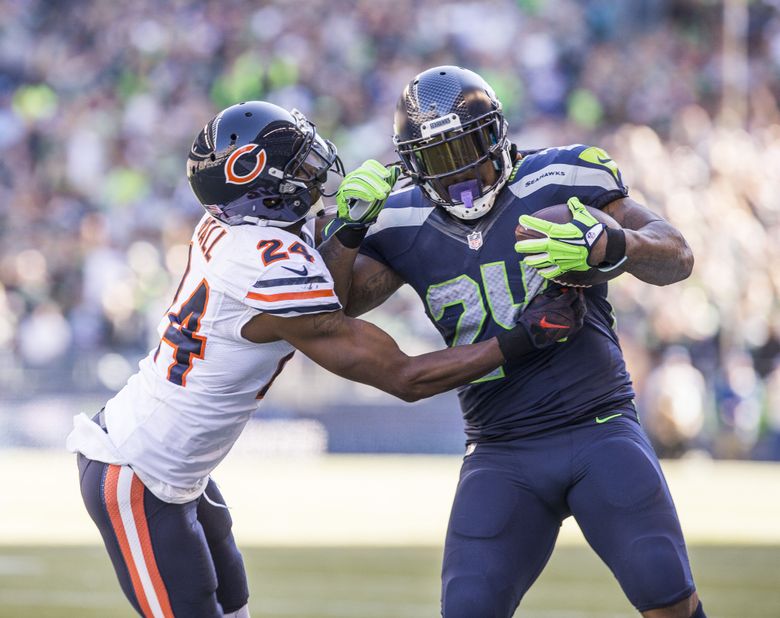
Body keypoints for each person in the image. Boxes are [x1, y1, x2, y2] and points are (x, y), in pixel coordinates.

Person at [65, 100, 584, 618]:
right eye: (299, 164)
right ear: (258, 184)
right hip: (137, 472)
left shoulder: (233, 229)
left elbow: (319, 279)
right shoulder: (267, 270)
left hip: (176, 473)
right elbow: (404, 377)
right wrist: (522, 338)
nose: (317, 167)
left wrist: (352, 228)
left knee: (233, 607)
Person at [320, 66, 706, 618]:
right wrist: (348, 227)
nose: (457, 175)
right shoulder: (400, 219)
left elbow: (677, 254)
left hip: (597, 425)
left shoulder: (562, 178)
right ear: (410, 164)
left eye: (468, 149)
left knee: (667, 596)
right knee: (469, 609)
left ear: (498, 135)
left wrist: (611, 241)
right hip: (500, 447)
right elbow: (333, 309)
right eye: (436, 159)